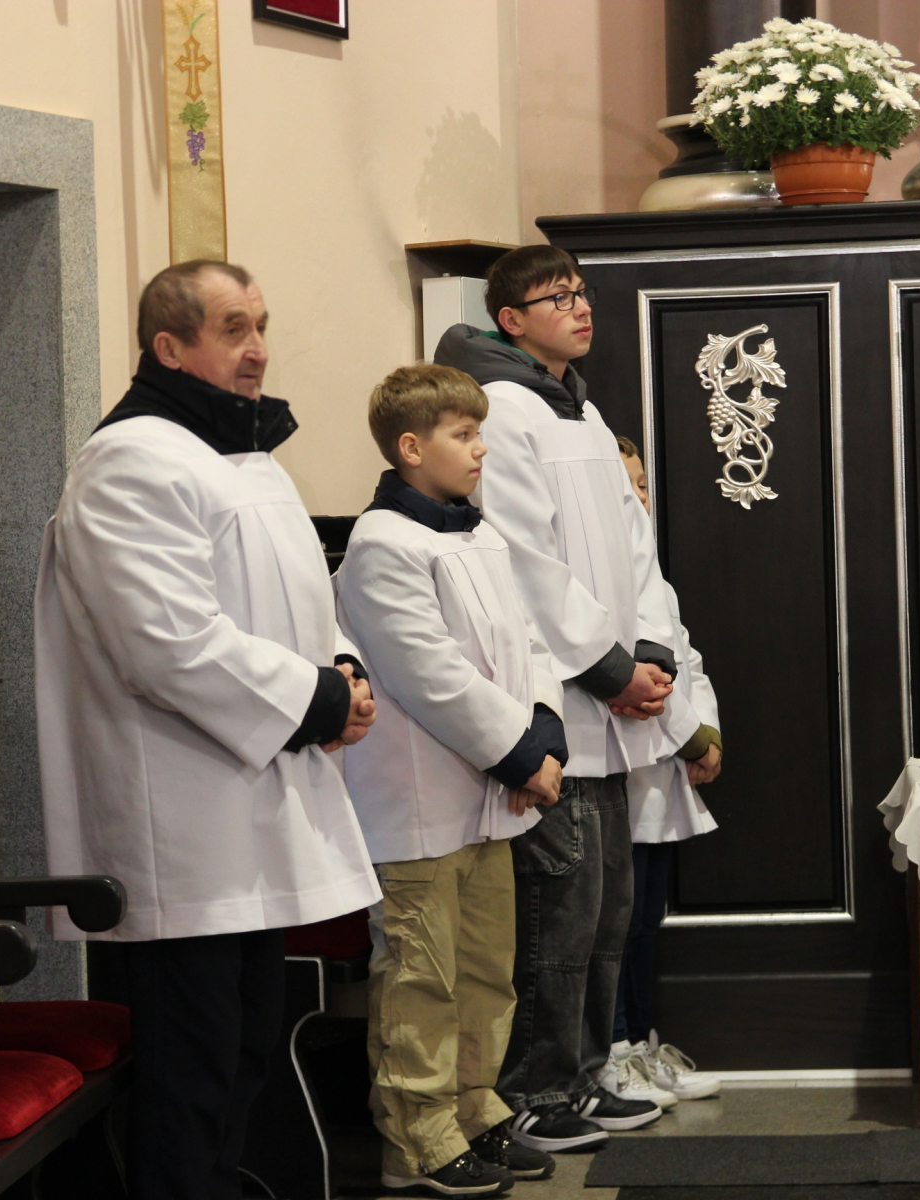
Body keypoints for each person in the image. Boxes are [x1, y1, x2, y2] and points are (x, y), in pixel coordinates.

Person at [35, 260, 381, 1200]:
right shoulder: (129, 461)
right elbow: (167, 642)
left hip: (247, 820)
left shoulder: (243, 457)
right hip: (180, 831)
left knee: (243, 1054)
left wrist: (342, 670)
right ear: (170, 346)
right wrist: (316, 700)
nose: (259, 348)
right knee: (188, 1077)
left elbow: (299, 603)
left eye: (262, 325)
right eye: (234, 329)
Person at [434, 244, 708, 1152]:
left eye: (582, 292)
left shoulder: (582, 411)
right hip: (565, 706)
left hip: (616, 703)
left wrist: (652, 651)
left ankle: (585, 1077)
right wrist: (610, 670)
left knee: (606, 917)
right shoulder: (503, 410)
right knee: (559, 917)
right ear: (510, 319)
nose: (581, 308)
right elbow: (528, 562)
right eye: (558, 298)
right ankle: (536, 1091)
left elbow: (637, 548)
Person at [336, 363, 571, 1196]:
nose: (480, 450)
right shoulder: (382, 544)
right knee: (422, 976)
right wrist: (522, 756)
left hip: (490, 796)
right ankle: (417, 1137)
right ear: (411, 447)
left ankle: (474, 1107)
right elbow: (428, 674)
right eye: (463, 435)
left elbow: (529, 643)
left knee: (484, 970)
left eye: (479, 433)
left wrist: (546, 731)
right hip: (419, 804)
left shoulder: (479, 534)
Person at [601, 437, 727, 1108]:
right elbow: (641, 676)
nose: (639, 498)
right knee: (615, 924)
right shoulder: (603, 579)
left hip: (662, 767)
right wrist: (689, 738)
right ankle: (614, 1049)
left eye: (644, 484)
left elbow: (688, 663)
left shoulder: (656, 582)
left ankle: (643, 1041)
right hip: (625, 761)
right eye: (626, 487)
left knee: (647, 918)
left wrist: (709, 734)